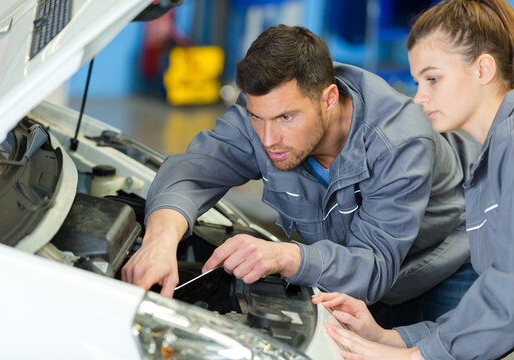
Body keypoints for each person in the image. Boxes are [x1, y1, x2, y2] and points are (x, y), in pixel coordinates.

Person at [122, 24, 479, 323]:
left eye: (286, 119)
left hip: (444, 266)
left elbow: (374, 267)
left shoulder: (399, 142)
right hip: (349, 273)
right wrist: (160, 242)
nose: (268, 139)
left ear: (328, 99)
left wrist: (286, 256)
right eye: (256, 117)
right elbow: (192, 172)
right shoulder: (265, 113)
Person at [313, 0, 514, 358]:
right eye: (417, 81)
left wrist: (417, 357)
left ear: (483, 69)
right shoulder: (494, 154)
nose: (419, 98)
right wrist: (389, 338)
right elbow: (487, 302)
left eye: (432, 79)